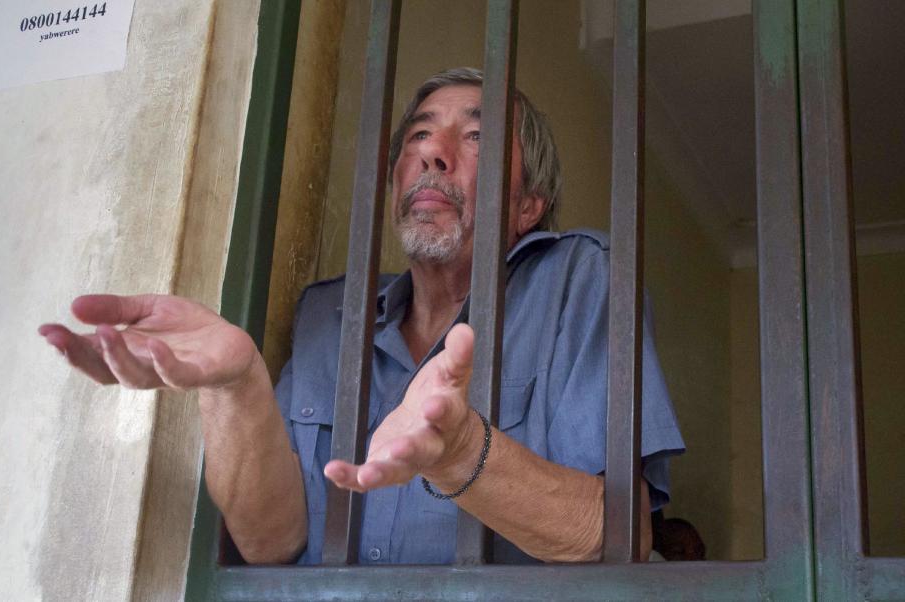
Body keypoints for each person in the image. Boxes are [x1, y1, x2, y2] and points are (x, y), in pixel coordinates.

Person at [39, 67, 684, 565]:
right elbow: (272, 544)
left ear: (528, 207)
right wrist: (235, 387)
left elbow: (617, 535)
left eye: (477, 136)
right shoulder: (330, 315)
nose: (435, 153)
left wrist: (462, 452)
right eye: (419, 135)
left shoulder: (580, 278)